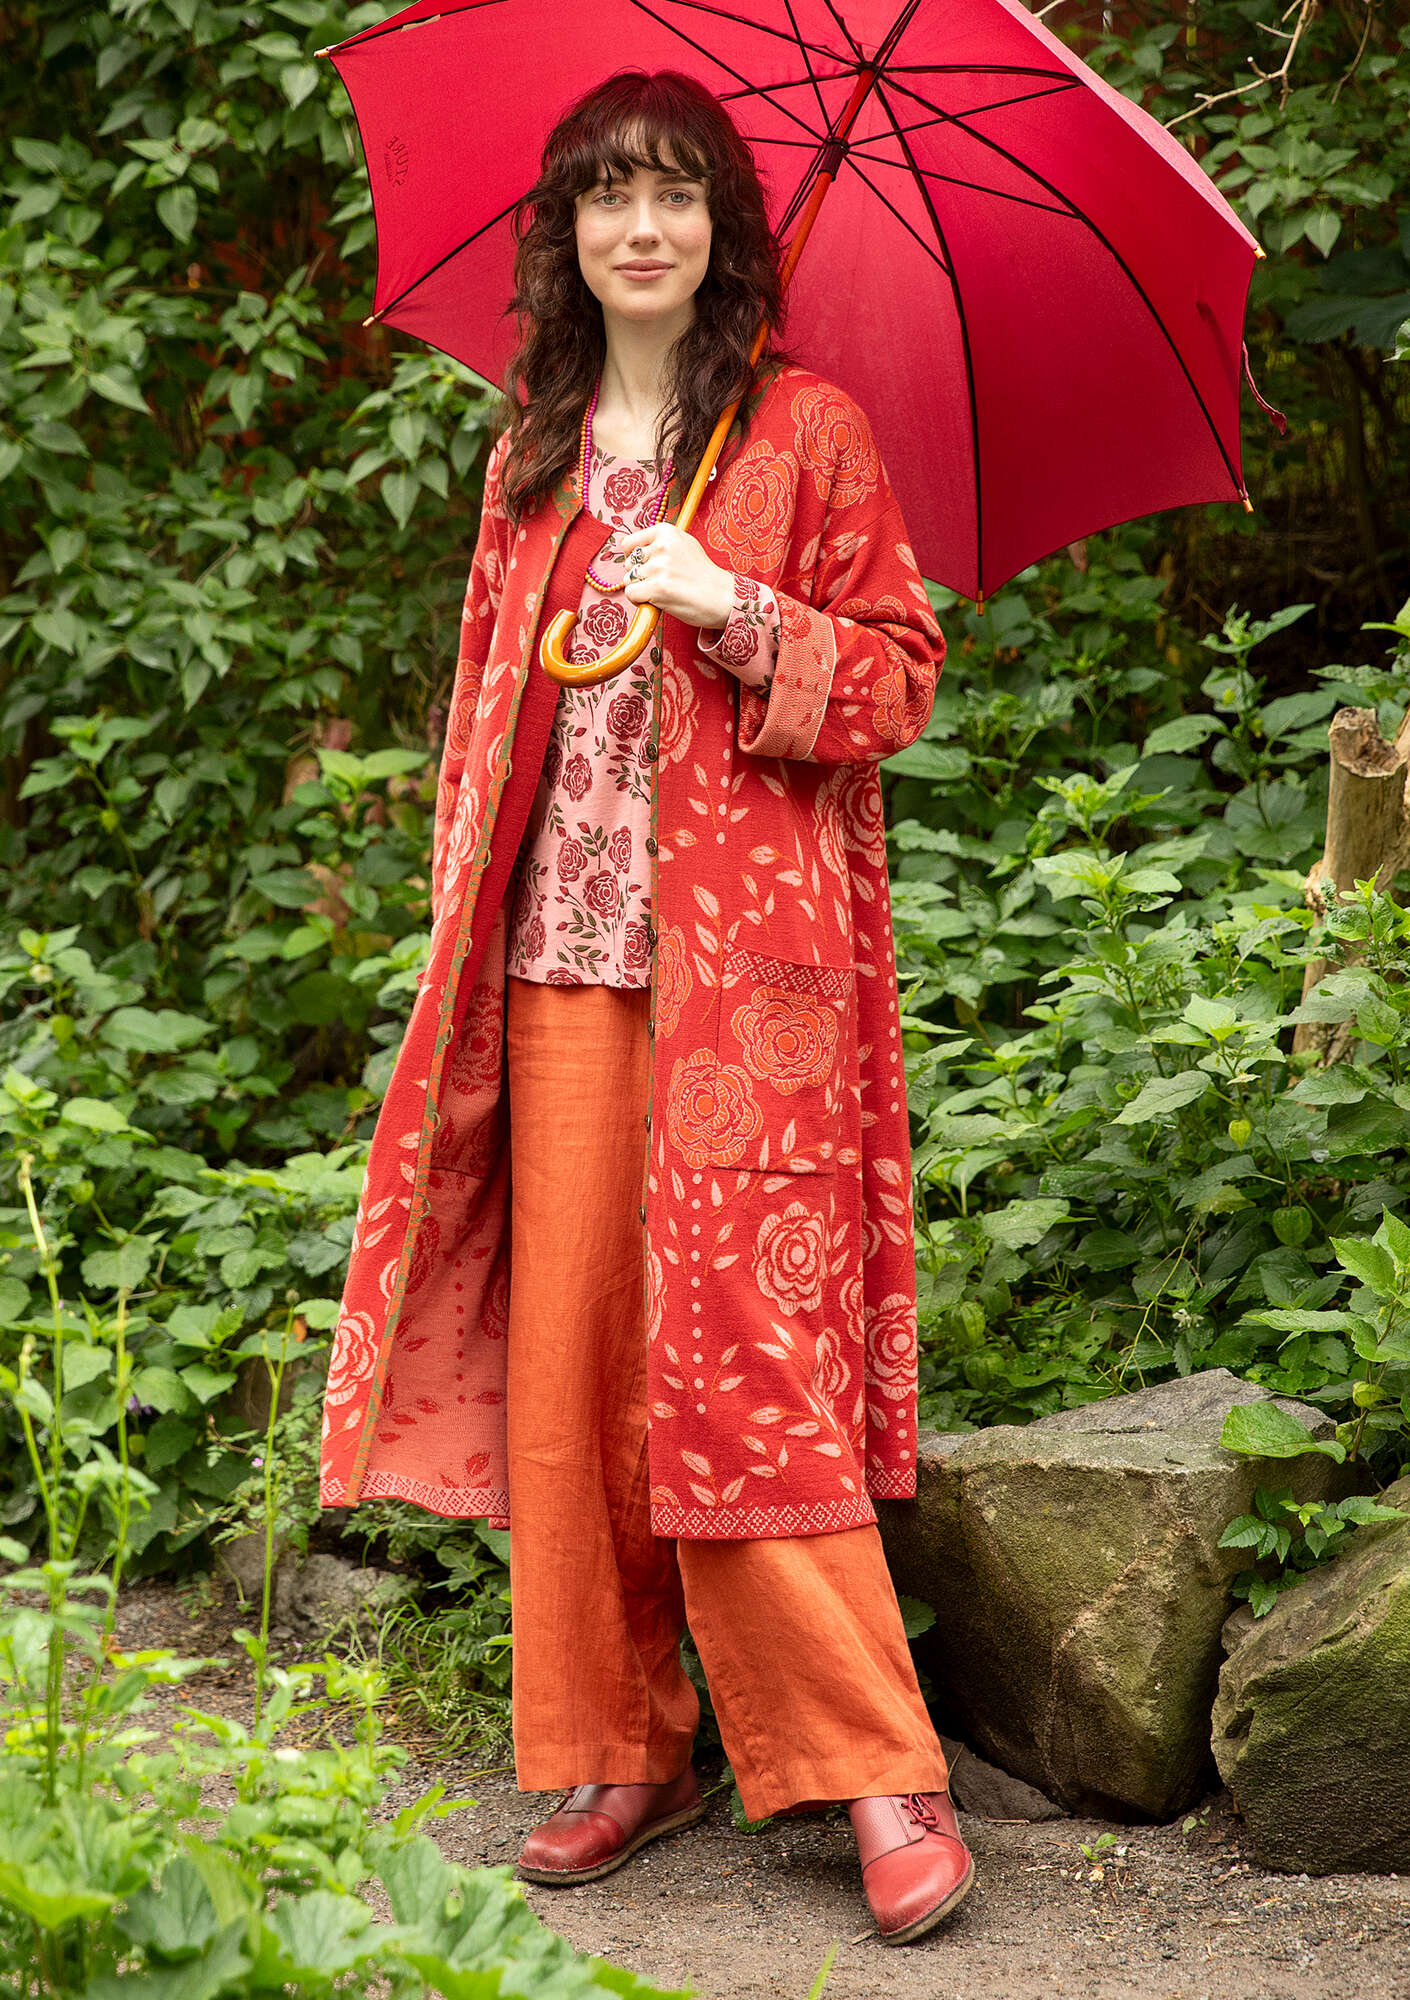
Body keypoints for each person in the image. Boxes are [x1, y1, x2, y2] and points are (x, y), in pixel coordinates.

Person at [320, 68, 972, 1947]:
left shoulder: (803, 430)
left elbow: (899, 680)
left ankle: (878, 1770)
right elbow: (480, 709)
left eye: (676, 192)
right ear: (564, 232)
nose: (641, 226)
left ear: (722, 229)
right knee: (579, 1365)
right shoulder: (525, 451)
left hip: (743, 994)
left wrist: (733, 607)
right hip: (550, 967)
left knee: (750, 1362)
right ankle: (622, 1747)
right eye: (608, 194)